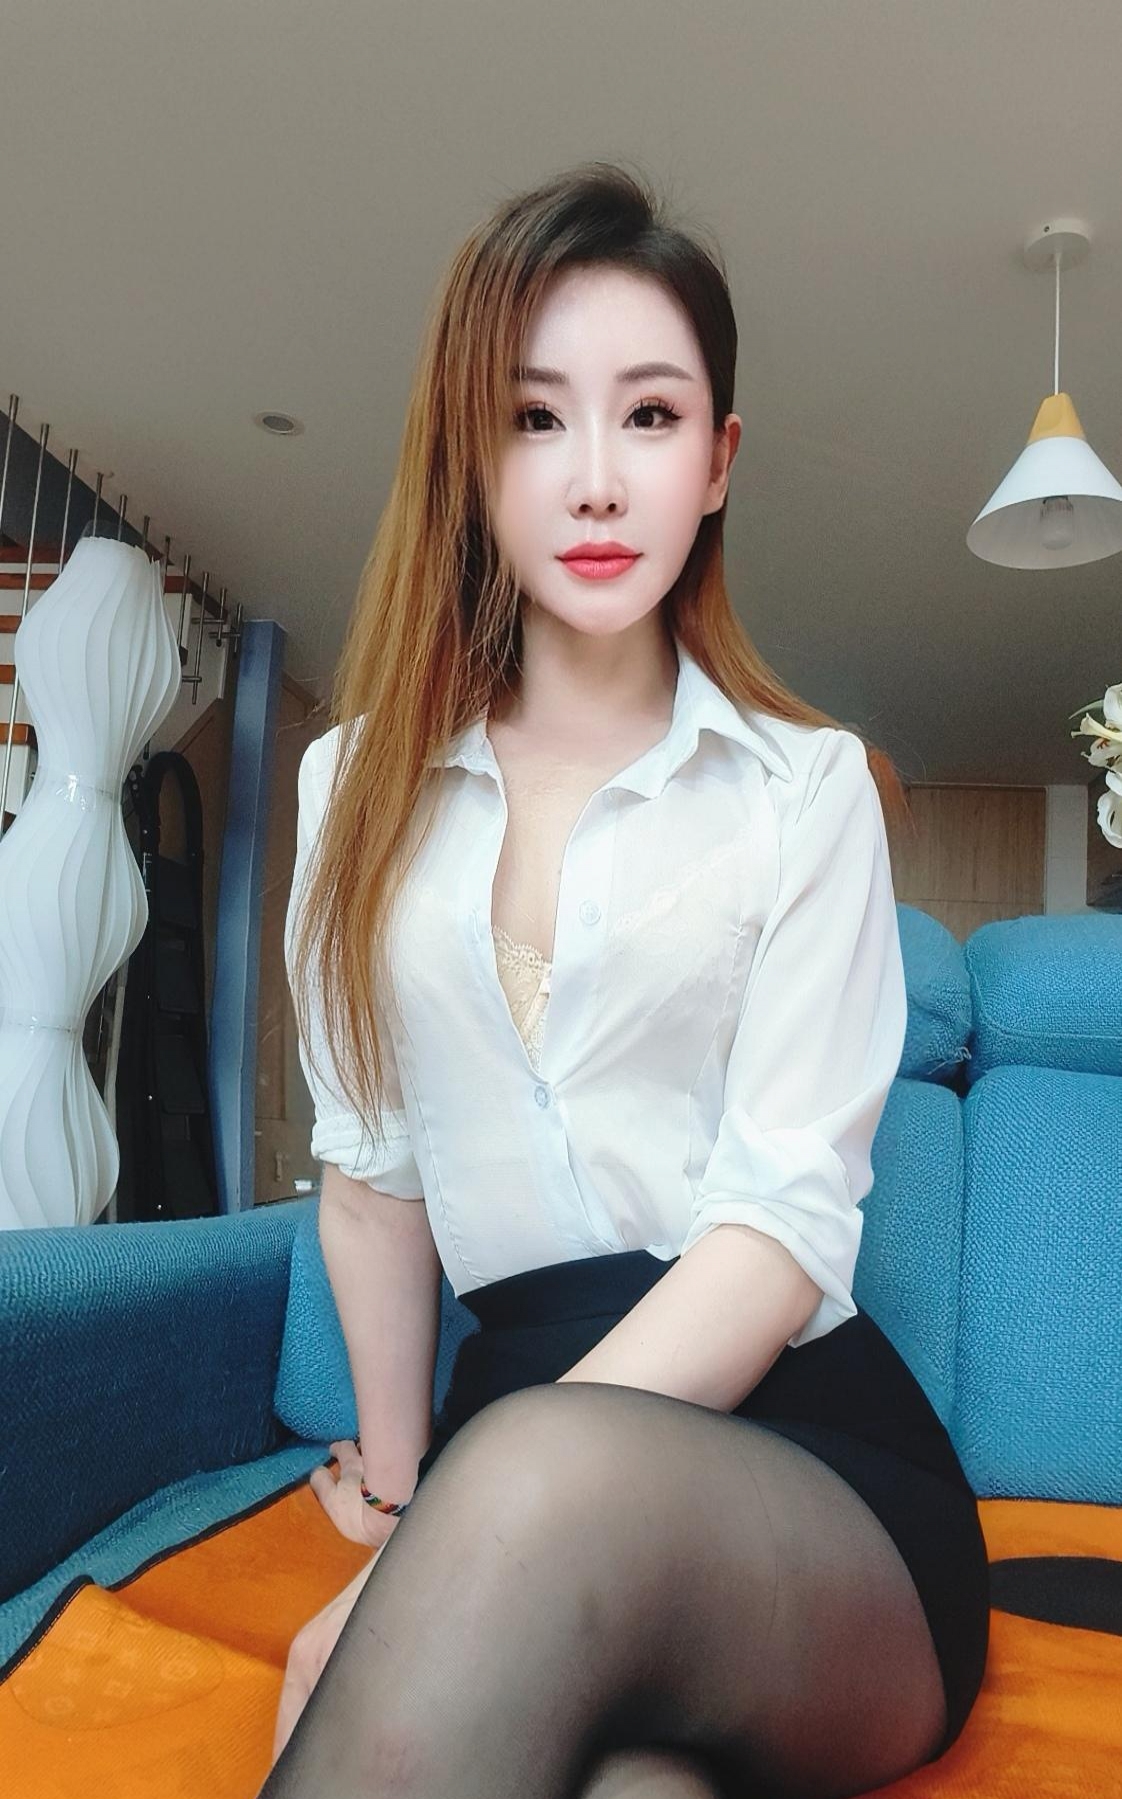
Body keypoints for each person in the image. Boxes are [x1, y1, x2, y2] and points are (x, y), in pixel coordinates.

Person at [265, 161, 990, 1798]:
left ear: (716, 461)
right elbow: (372, 1186)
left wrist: (429, 1549)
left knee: (519, 1501)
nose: (595, 481)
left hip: (811, 1476)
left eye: (648, 417)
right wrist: (406, 1499)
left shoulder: (805, 792)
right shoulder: (352, 786)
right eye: (535, 419)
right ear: (470, 456)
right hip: (516, 1452)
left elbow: (776, 1236)